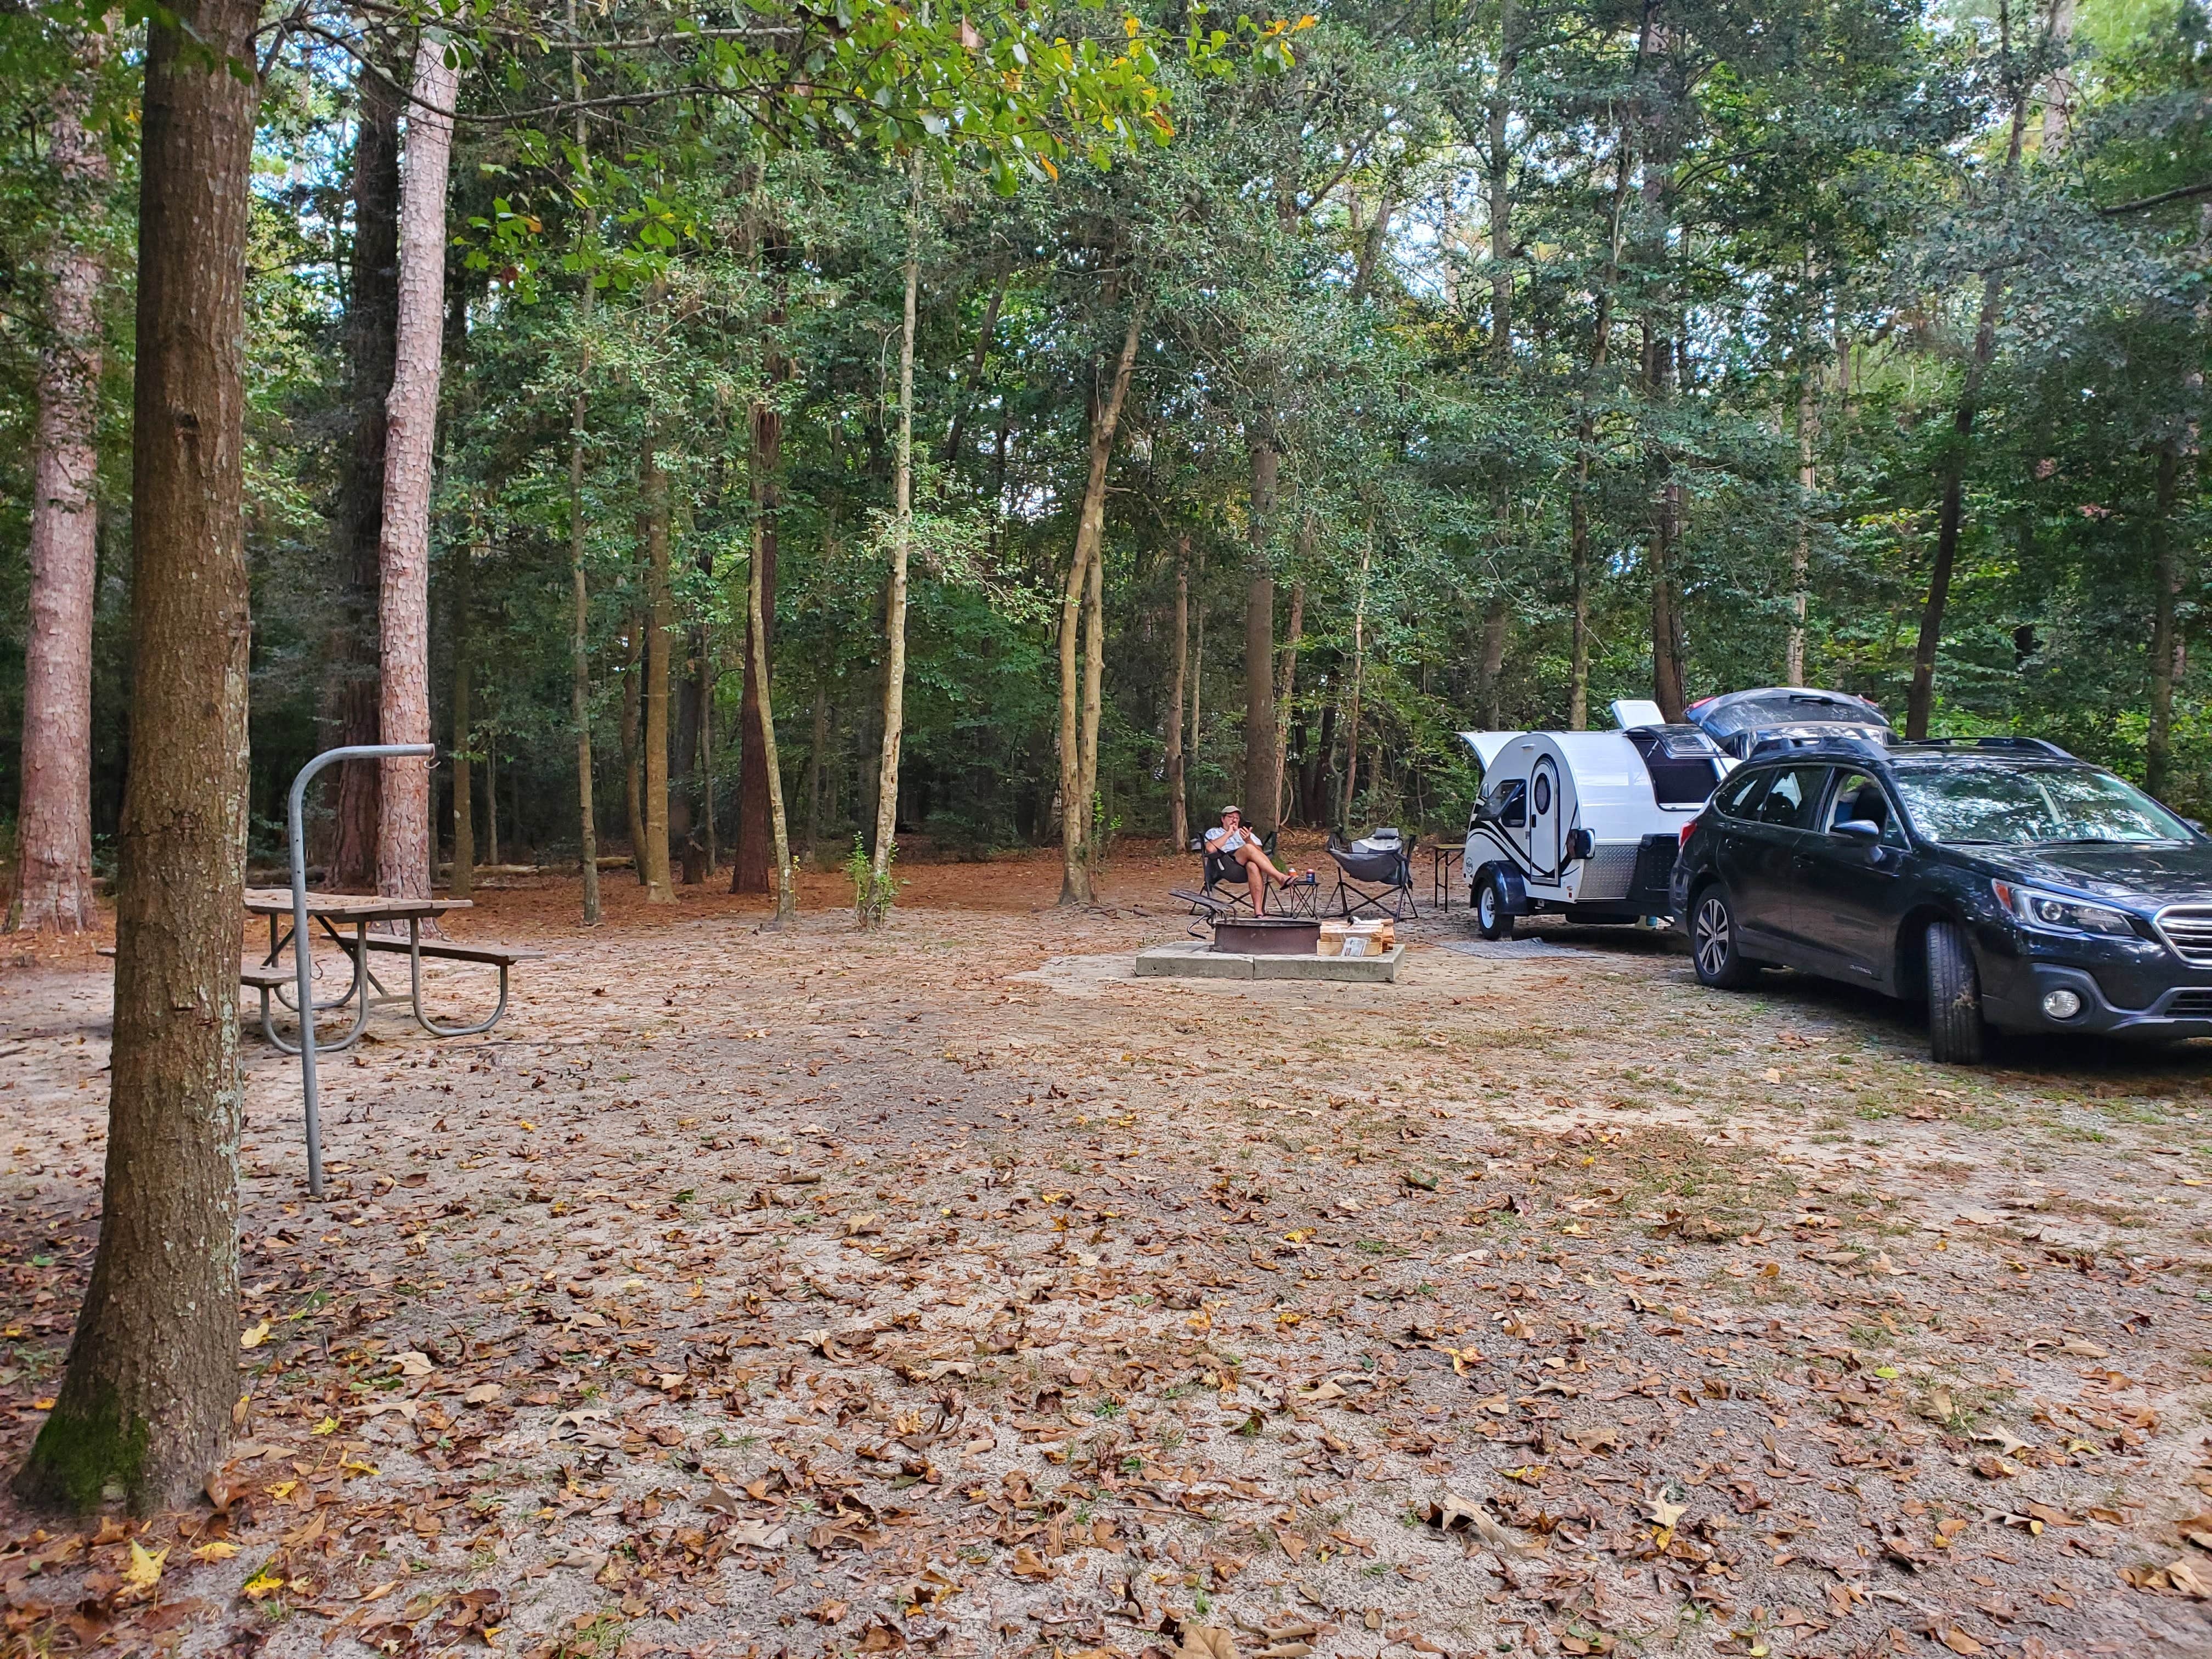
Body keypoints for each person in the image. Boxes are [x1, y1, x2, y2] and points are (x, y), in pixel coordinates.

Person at [1204, 805, 1300, 912]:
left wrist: (1248, 840)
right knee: (1248, 848)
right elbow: (1211, 849)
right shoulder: (1214, 832)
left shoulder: (1244, 833)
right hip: (1226, 865)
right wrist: (1228, 834)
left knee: (1253, 865)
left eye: (1237, 818)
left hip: (1244, 870)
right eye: (1231, 817)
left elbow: (1260, 854)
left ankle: (1258, 912)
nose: (1234, 820)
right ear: (1223, 819)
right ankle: (1280, 877)